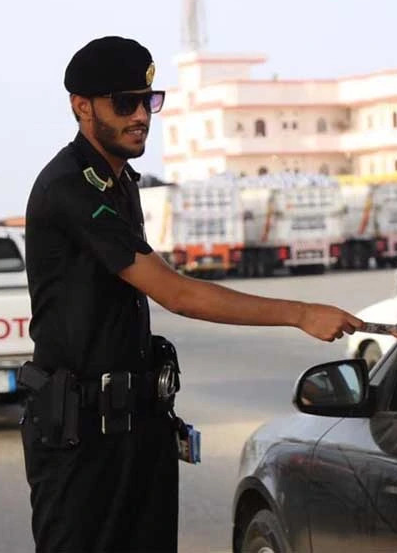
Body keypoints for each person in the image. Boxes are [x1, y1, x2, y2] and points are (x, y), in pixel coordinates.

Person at [20, 36, 362, 552]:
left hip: (136, 428)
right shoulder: (70, 186)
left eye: (149, 101)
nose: (142, 116)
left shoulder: (120, 183)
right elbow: (177, 294)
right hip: (81, 438)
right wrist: (300, 313)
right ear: (82, 106)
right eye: (125, 103)